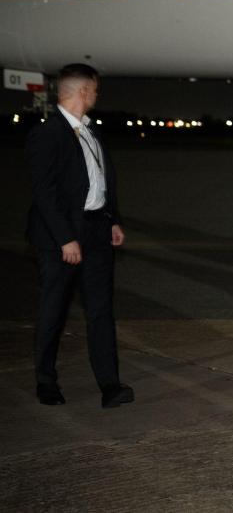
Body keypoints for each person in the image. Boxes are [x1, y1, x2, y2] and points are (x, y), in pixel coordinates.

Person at [26, 63, 133, 409]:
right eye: (96, 89)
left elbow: (102, 180)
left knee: (101, 311)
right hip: (61, 239)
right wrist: (65, 239)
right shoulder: (48, 133)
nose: (97, 96)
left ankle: (110, 385)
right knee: (53, 311)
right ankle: (46, 381)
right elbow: (44, 192)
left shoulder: (90, 131)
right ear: (83, 90)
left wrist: (112, 219)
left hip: (98, 233)